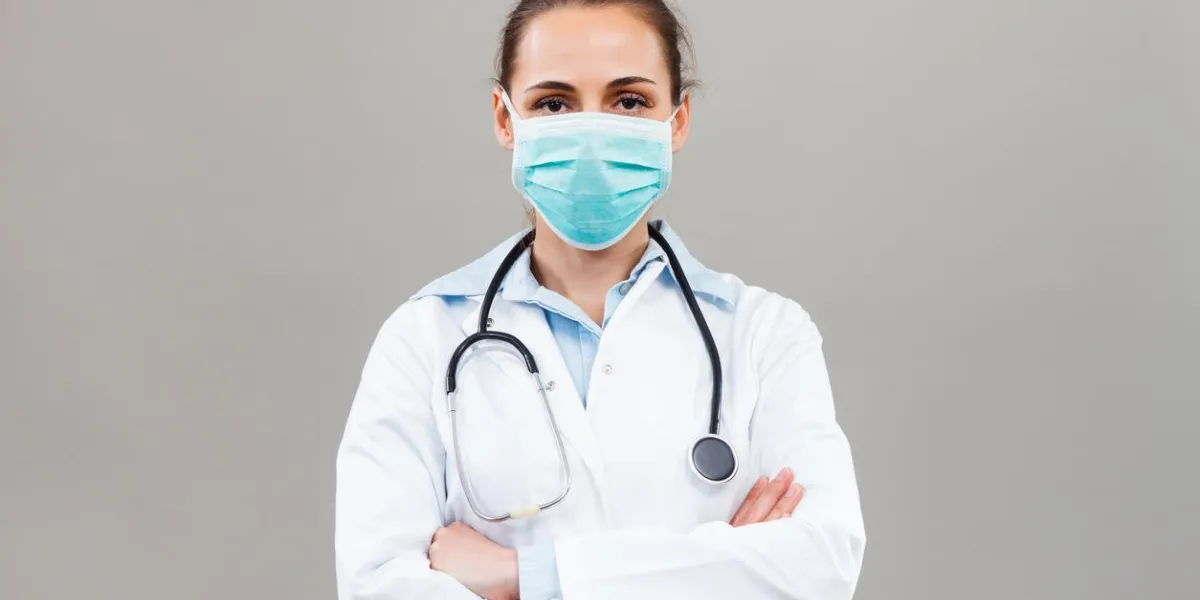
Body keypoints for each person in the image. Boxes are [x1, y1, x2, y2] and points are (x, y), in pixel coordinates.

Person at [334, 1, 865, 598]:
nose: (590, 134)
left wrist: (525, 577)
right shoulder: (424, 339)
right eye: (553, 103)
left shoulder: (766, 335)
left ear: (678, 119)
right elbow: (380, 584)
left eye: (629, 101)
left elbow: (819, 564)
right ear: (506, 120)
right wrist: (715, 570)